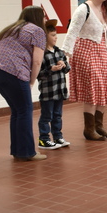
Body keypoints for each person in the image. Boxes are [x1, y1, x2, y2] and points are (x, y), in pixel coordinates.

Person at [62, 0, 107, 141]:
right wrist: (65, 54)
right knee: (93, 88)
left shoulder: (105, 9)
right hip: (85, 51)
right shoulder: (83, 9)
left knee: (104, 86)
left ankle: (99, 126)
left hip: (101, 52)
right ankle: (89, 129)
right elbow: (72, 31)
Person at [0, 5, 47, 161]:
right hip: (13, 72)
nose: (45, 19)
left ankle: (18, 150)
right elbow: (37, 61)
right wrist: (31, 82)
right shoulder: (38, 31)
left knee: (17, 111)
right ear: (37, 17)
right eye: (43, 16)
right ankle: (27, 152)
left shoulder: (12, 29)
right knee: (25, 110)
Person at [37, 20, 71, 149]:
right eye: (52, 35)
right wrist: (50, 70)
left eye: (56, 35)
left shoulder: (59, 52)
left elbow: (68, 69)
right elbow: (38, 74)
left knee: (57, 115)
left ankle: (58, 136)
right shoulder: (41, 54)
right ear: (45, 37)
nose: (56, 37)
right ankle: (44, 139)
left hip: (60, 90)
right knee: (47, 115)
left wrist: (63, 65)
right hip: (48, 91)